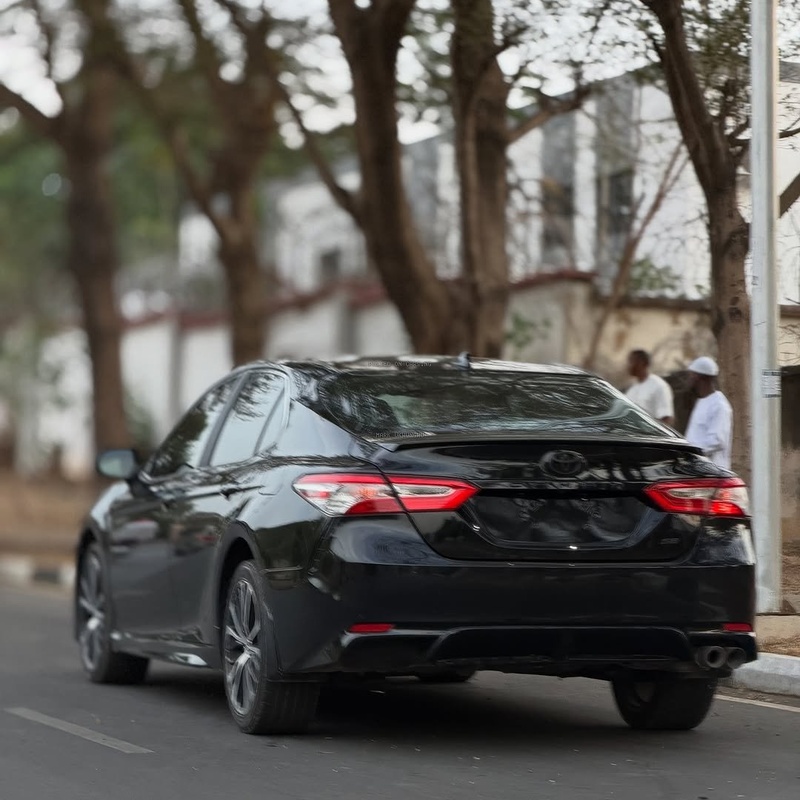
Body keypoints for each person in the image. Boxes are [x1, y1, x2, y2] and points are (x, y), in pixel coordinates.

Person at [684, 356, 733, 470]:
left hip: (713, 473)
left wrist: (691, 452)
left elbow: (717, 440)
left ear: (698, 377)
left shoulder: (720, 405)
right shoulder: (701, 401)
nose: (689, 379)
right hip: (698, 470)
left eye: (691, 375)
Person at [625, 349, 675, 426]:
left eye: (631, 361)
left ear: (642, 363)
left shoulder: (659, 386)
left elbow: (666, 419)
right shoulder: (632, 389)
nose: (628, 365)